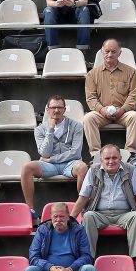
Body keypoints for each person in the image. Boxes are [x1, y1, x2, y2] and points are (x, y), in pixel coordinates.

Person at [70, 145, 136, 260]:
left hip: (125, 214)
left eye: (114, 158)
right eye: (107, 158)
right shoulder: (93, 171)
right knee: (88, 216)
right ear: (101, 160)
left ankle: (134, 260)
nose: (111, 161)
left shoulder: (131, 170)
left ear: (120, 158)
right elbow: (83, 197)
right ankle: (88, 259)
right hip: (99, 214)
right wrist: (71, 219)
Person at [21, 94, 87, 223]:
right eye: (53, 107)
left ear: (64, 109)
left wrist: (52, 159)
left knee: (83, 167)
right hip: (49, 166)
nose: (56, 110)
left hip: (69, 164)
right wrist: (50, 130)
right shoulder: (40, 129)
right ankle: (30, 209)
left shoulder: (76, 126)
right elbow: (44, 153)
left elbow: (75, 152)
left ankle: (83, 207)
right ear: (47, 109)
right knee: (26, 167)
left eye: (59, 107)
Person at [83, 38, 136, 155]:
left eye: (113, 51)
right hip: (101, 113)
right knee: (88, 118)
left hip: (123, 113)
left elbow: (133, 95)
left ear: (119, 53)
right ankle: (95, 155)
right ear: (101, 51)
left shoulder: (131, 72)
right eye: (107, 51)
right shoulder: (92, 74)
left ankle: (130, 153)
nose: (110, 54)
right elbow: (91, 98)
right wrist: (101, 109)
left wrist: (123, 109)